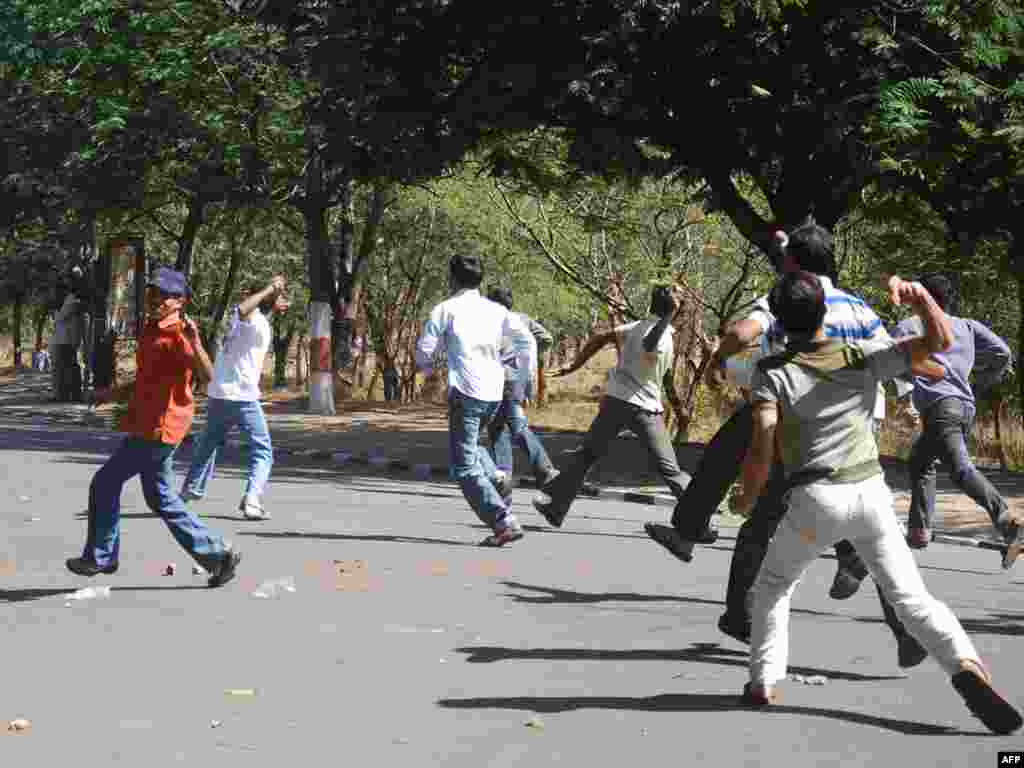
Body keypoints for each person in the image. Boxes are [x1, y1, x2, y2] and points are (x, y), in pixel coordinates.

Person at [733, 270, 1021, 736]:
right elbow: (938, 343)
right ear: (824, 312)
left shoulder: (772, 373)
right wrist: (923, 299)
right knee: (912, 599)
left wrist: (747, 495)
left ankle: (764, 680)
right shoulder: (862, 356)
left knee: (772, 587)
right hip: (870, 495)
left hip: (813, 497)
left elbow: (762, 447)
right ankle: (965, 664)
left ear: (779, 323)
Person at [66, 267, 241, 588]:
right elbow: (146, 379)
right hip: (145, 423)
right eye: (152, 293)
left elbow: (209, 376)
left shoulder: (180, 334)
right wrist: (110, 393)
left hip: (161, 428)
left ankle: (102, 556)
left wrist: (196, 342)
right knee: (160, 498)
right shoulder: (150, 329)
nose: (155, 299)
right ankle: (218, 555)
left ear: (180, 301)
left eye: (163, 295)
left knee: (104, 483)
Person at [531, 285, 691, 527]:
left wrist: (575, 365)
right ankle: (700, 518)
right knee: (670, 469)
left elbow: (601, 338)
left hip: (619, 403)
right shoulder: (659, 334)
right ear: (675, 310)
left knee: (586, 457)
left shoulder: (638, 327)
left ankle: (556, 507)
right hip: (641, 408)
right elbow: (649, 344)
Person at [416, 253, 536, 547]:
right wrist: (523, 381)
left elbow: (424, 351)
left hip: (467, 392)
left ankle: (502, 521)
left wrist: (430, 370)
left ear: (452, 278)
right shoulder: (496, 311)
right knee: (470, 446)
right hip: (494, 394)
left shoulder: (445, 309)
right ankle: (496, 476)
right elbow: (527, 342)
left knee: (465, 467)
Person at [891, 275, 1015, 559]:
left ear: (922, 297)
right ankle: (919, 530)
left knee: (960, 469)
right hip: (964, 408)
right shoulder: (968, 327)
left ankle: (1008, 521)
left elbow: (885, 359)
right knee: (921, 462)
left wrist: (906, 382)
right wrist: (979, 380)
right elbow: (1003, 353)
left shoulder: (909, 326)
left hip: (941, 409)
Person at [180, 276, 289, 520]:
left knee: (207, 445)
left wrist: (273, 299)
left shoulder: (246, 322)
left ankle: (188, 492)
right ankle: (252, 500)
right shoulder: (246, 316)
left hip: (220, 395)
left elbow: (250, 317)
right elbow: (245, 309)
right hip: (242, 397)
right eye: (279, 296)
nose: (283, 300)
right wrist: (270, 288)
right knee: (263, 451)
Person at [485, 286, 559, 489]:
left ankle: (545, 470)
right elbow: (546, 338)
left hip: (499, 379)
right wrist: (534, 357)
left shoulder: (488, 322)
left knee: (515, 426)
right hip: (520, 377)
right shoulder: (523, 319)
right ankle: (503, 476)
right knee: (497, 427)